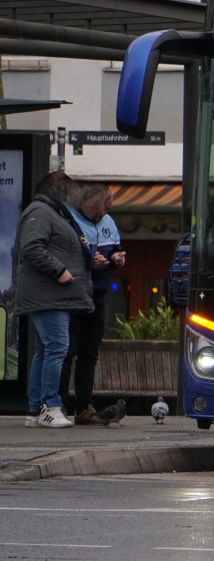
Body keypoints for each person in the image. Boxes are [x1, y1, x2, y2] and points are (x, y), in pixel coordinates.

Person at [14, 171, 93, 428]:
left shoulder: (51, 212)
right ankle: (51, 406)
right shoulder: (40, 212)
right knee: (58, 347)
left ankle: (36, 410)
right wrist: (59, 271)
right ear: (52, 189)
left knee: (45, 351)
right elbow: (31, 247)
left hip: (49, 295)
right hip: (48, 295)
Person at [60, 183, 125, 425]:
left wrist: (116, 259)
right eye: (104, 207)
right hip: (73, 294)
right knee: (67, 351)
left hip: (98, 295)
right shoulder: (69, 219)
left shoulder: (108, 223)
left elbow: (115, 251)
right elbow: (65, 256)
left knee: (89, 353)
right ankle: (59, 405)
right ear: (92, 203)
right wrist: (90, 264)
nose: (106, 213)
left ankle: (83, 406)